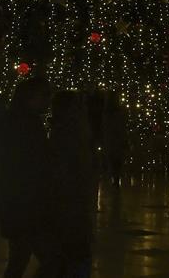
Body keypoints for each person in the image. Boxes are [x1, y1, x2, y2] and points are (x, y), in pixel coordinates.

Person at [0, 77, 60, 278]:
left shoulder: (17, 121)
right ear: (30, 98)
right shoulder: (27, 124)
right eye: (44, 95)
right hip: (27, 205)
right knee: (48, 260)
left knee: (20, 259)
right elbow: (33, 164)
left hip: (18, 204)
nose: (47, 101)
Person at [49, 92, 94, 278]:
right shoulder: (68, 135)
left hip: (71, 204)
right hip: (70, 205)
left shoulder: (65, 133)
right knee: (74, 256)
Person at [102, 93, 130, 185]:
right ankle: (115, 177)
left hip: (113, 138)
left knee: (114, 159)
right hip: (114, 138)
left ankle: (115, 177)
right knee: (116, 159)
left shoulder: (107, 112)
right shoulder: (118, 112)